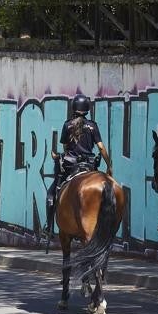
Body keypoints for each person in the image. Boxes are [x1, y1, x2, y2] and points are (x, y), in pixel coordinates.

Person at [45, 94, 113, 236]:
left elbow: (64, 148)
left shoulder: (67, 125)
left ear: (74, 108)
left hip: (72, 166)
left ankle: (49, 227)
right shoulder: (92, 126)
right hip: (90, 166)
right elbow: (101, 147)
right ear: (87, 109)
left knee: (52, 193)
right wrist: (109, 165)